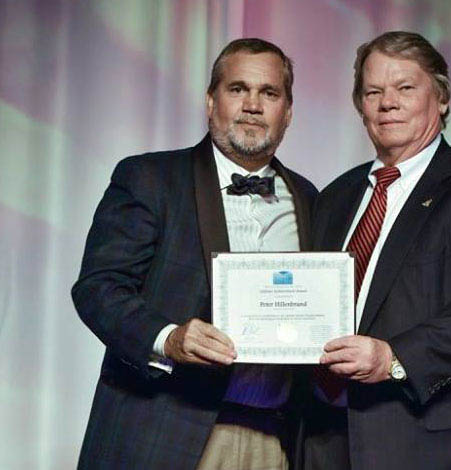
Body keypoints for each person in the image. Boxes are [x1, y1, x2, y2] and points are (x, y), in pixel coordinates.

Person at [72, 38, 317, 470]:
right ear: (210, 101)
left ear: (289, 112)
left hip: (276, 440)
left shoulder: (312, 199)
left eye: (269, 93)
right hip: (164, 432)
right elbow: (98, 288)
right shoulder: (150, 178)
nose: (253, 105)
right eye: (238, 89)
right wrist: (168, 338)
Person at [305, 31, 451, 470]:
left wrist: (394, 359)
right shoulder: (334, 198)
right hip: (326, 441)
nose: (387, 102)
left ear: (442, 99)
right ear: (360, 106)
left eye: (405, 88)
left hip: (434, 446)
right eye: (373, 91)